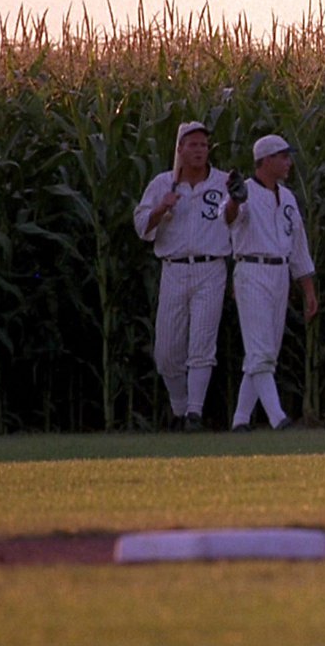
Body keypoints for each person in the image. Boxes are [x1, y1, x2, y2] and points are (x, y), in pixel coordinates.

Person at [133, 121, 232, 432]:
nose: (200, 150)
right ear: (180, 149)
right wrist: (161, 209)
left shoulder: (223, 182)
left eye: (204, 145)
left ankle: (194, 413)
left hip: (210, 267)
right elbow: (142, 228)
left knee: (202, 344)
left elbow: (237, 220)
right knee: (166, 351)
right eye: (193, 145)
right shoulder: (162, 184)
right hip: (174, 268)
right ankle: (179, 406)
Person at [223, 134, 319, 431]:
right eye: (282, 156)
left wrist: (308, 290)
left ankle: (240, 420)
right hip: (252, 271)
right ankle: (278, 418)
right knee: (261, 350)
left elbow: (298, 245)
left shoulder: (287, 196)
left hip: (280, 274)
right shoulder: (246, 192)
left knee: (264, 353)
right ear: (265, 160)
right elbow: (228, 218)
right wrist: (235, 202)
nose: (288, 162)